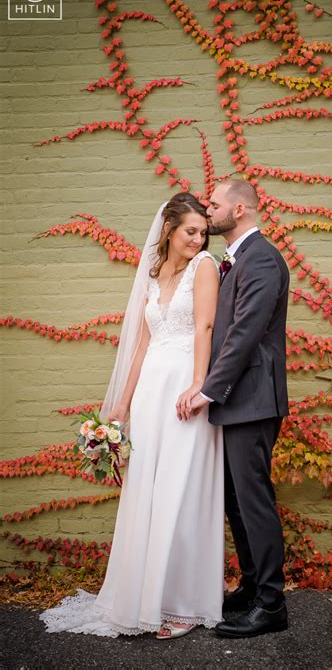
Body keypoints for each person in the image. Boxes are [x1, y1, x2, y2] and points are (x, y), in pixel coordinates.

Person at [40, 193, 224, 639]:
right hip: (149, 393)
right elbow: (142, 344)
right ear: (168, 230)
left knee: (182, 486)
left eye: (203, 232)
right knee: (148, 489)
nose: (199, 240)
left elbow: (205, 326)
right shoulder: (153, 273)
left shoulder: (205, 267)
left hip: (184, 386)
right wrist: (122, 403)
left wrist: (199, 384)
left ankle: (183, 603)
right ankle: (144, 596)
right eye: (190, 232)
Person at [178, 179, 290, 639]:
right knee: (235, 502)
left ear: (239, 209)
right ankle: (250, 586)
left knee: (254, 501)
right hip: (237, 400)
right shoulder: (237, 258)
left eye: (215, 204)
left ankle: (272, 604)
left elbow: (245, 333)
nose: (209, 210)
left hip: (252, 401)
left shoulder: (261, 257)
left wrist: (207, 389)